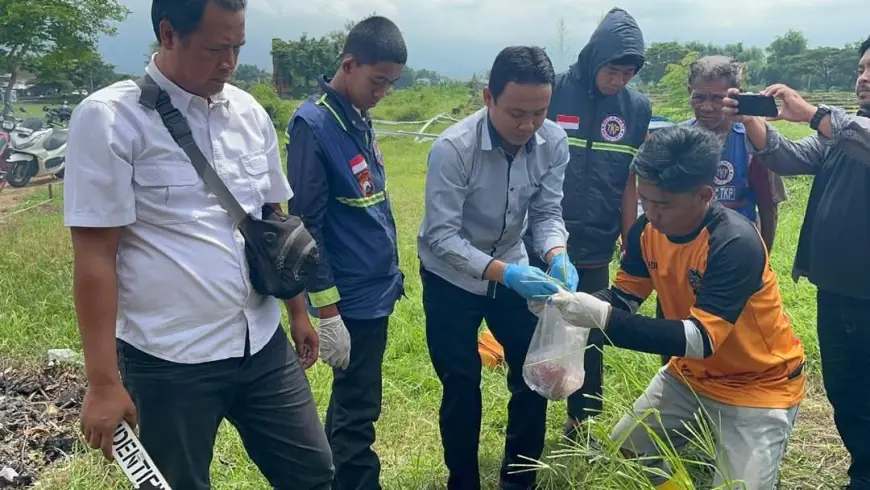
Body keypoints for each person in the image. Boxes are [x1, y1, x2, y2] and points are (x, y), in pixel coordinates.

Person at [63, 1, 333, 489]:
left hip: (261, 341)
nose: (229, 62)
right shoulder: (109, 119)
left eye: (237, 46)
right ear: (168, 34)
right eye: (216, 48)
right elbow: (95, 257)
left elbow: (273, 223)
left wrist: (297, 311)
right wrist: (103, 382)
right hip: (170, 359)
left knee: (313, 472)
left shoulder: (249, 113)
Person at [549, 124, 806, 489]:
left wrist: (603, 318)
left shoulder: (734, 243)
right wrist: (569, 307)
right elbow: (626, 296)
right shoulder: (645, 231)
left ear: (704, 194)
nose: (652, 212)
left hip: (758, 383)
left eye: (663, 204)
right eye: (645, 200)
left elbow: (702, 339)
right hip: (691, 374)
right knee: (626, 452)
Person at [417, 46, 575, 490]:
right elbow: (441, 237)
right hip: (452, 278)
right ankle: (462, 481)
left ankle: (519, 479)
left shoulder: (553, 142)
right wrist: (503, 272)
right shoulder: (453, 148)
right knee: (461, 384)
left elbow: (546, 214)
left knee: (534, 376)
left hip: (515, 266)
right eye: (516, 113)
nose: (527, 126)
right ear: (488, 97)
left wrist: (556, 254)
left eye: (539, 113)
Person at [723, 35, 870, 490]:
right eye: (862, 70)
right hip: (839, 287)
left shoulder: (850, 130)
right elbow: (788, 157)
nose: (863, 80)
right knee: (847, 392)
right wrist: (753, 119)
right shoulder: (847, 131)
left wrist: (816, 115)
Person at [285, 15, 406, 490]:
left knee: (352, 401)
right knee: (359, 409)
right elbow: (307, 224)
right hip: (350, 297)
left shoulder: (357, 116)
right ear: (349, 63)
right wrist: (327, 313)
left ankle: (335, 479)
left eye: (390, 84)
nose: (382, 92)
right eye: (377, 81)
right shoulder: (314, 124)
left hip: (376, 290)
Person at [525, 6, 653, 440]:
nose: (619, 80)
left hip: (597, 240)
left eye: (628, 74)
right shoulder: (555, 92)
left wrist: (628, 233)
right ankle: (528, 422)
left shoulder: (636, 108)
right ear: (595, 58)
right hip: (540, 238)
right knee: (532, 327)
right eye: (614, 70)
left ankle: (581, 424)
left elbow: (629, 181)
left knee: (591, 331)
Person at [684, 55, 787, 252]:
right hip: (689, 248)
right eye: (699, 97)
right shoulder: (677, 140)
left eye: (717, 98)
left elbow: (768, 208)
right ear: (690, 93)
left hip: (739, 248)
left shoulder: (754, 140)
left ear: (735, 95)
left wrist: (763, 261)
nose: (707, 107)